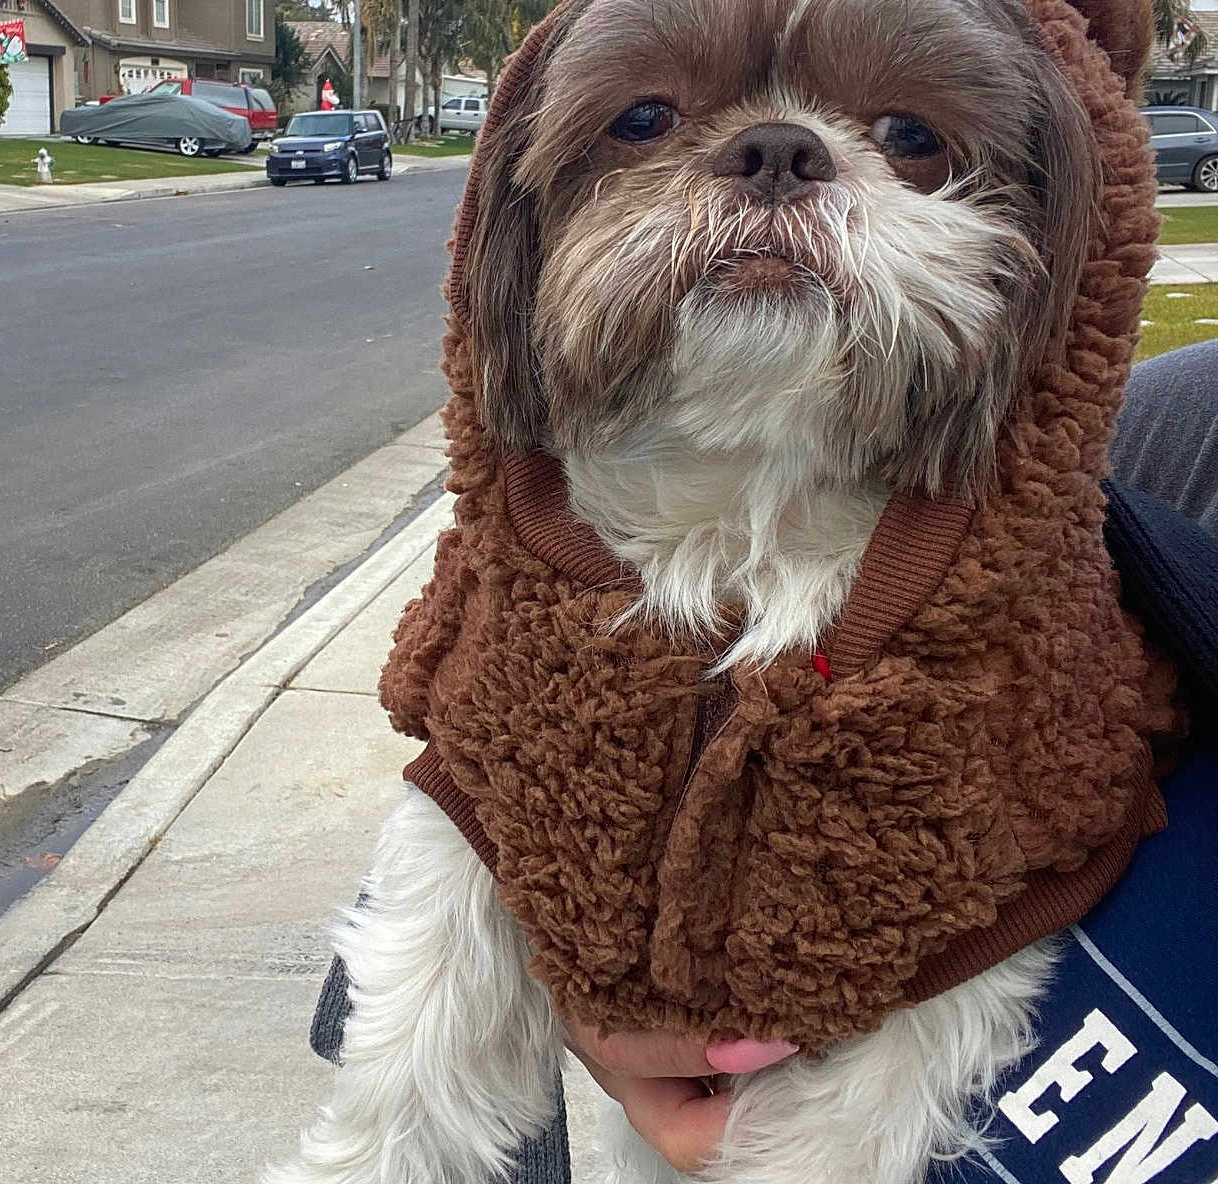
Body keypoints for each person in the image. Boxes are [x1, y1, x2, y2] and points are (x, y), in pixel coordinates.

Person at [308, 341, 1218, 1179]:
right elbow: (476, 817)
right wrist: (582, 994)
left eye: (913, 151)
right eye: (637, 148)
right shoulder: (1154, 442)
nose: (779, 164)